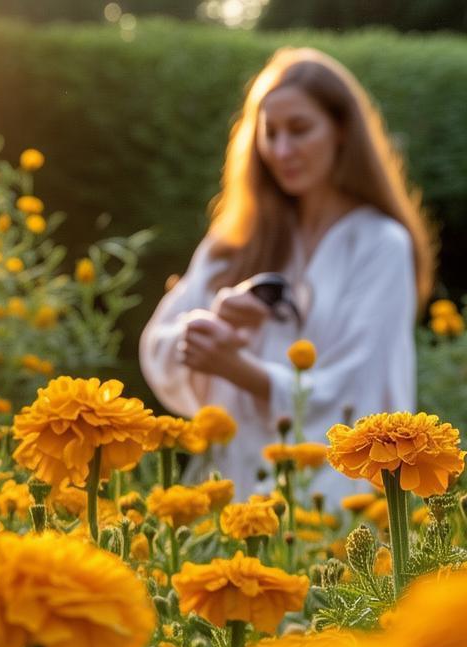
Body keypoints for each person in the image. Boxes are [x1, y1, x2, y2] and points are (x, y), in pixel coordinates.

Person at [139, 47, 434, 506]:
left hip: (333, 505)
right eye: (269, 133)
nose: (281, 151)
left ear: (341, 131)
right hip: (233, 493)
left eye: (299, 130)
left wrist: (241, 369)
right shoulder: (235, 241)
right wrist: (215, 322)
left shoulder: (381, 245)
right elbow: (159, 342)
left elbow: (362, 389)